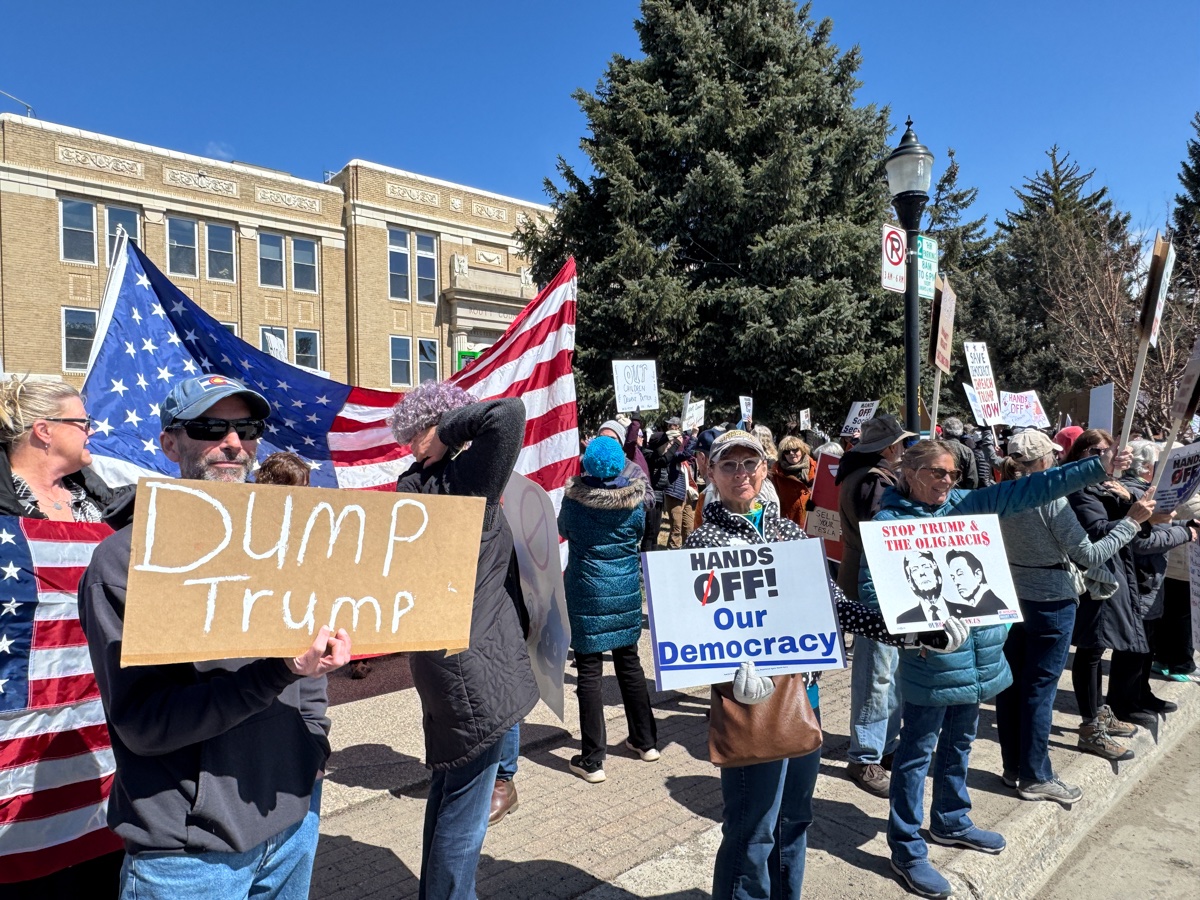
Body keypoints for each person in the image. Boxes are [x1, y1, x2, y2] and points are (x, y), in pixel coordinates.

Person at [78, 374, 351, 900]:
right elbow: (144, 724)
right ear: (169, 442)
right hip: (187, 859)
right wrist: (278, 671)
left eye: (246, 427)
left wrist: (312, 742)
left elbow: (313, 661)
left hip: (292, 824)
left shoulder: (289, 542)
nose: (233, 443)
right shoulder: (124, 564)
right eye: (209, 427)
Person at [686, 430, 945, 900]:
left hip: (801, 695)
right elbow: (698, 630)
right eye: (729, 465)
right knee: (752, 828)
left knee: (794, 821)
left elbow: (835, 604)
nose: (741, 474)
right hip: (748, 703)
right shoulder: (704, 538)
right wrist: (727, 675)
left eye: (750, 464)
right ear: (711, 473)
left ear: (765, 469)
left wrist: (912, 631)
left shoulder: (787, 531)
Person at [859, 437, 1115, 899]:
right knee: (917, 754)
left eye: (955, 474)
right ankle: (907, 847)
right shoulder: (887, 524)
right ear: (909, 471)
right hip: (931, 662)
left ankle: (951, 821)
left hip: (980, 658)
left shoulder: (966, 504)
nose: (949, 481)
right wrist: (914, 633)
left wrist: (1094, 468)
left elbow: (1033, 488)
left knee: (960, 742)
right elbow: (873, 597)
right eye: (939, 473)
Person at [388, 382, 539, 899]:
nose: (413, 443)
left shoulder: (417, 482)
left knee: (449, 786)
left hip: (443, 658)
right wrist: (446, 431)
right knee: (467, 807)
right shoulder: (460, 478)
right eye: (414, 433)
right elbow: (508, 414)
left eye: (418, 432)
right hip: (474, 665)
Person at [0, 378, 129, 898]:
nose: (92, 431)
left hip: (101, 726)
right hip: (21, 732)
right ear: (44, 431)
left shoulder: (99, 503)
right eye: (83, 423)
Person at [994, 429, 1151, 804]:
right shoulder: (1051, 500)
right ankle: (1035, 775)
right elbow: (1091, 555)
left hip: (1015, 596)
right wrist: (1131, 521)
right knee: (1039, 689)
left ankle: (1014, 767)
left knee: (1013, 684)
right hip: (1051, 601)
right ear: (1046, 460)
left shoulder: (1001, 492)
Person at [1062, 430, 1178, 756]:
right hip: (1094, 579)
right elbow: (1097, 531)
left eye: (1109, 450)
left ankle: (1101, 713)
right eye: (1096, 451)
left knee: (1098, 650)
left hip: (1116, 574)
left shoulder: (1113, 484)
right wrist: (1133, 517)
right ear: (1081, 456)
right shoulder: (1078, 489)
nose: (1106, 456)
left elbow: (1144, 498)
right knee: (1090, 650)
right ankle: (1091, 727)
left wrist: (1144, 504)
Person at [558, 436, 658, 783]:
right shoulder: (635, 501)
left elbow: (562, 530)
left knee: (589, 670)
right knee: (629, 662)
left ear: (587, 463)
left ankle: (592, 759)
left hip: (586, 590)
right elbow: (640, 532)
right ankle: (646, 742)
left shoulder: (574, 501)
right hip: (626, 589)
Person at [835, 413, 915, 797]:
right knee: (876, 673)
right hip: (875, 585)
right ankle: (864, 755)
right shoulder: (873, 481)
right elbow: (885, 535)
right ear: (889, 448)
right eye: (903, 443)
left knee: (890, 670)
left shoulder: (872, 477)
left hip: (882, 582)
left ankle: (884, 747)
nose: (906, 449)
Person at [1112, 440, 1193, 726]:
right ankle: (1123, 702)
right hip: (1139, 580)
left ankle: (1141, 693)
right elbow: (1141, 541)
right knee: (1134, 646)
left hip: (1150, 580)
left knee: (1147, 644)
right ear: (1147, 466)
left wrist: (1182, 527)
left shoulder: (1147, 491)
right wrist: (1183, 534)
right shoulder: (1134, 493)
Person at [943, 549, 1007, 618]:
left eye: (960, 574)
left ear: (978, 574)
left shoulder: (996, 607)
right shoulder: (973, 605)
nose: (956, 582)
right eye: (953, 578)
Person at [771, 435, 816, 528]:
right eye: (787, 452)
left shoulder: (815, 467)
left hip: (813, 521)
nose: (791, 453)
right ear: (783, 455)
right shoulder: (776, 474)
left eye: (795, 450)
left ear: (802, 450)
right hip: (790, 525)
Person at [895, 551, 949, 624]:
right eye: (915, 570)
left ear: (936, 572)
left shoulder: (967, 611)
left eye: (925, 567)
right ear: (910, 582)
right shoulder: (903, 620)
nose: (922, 573)